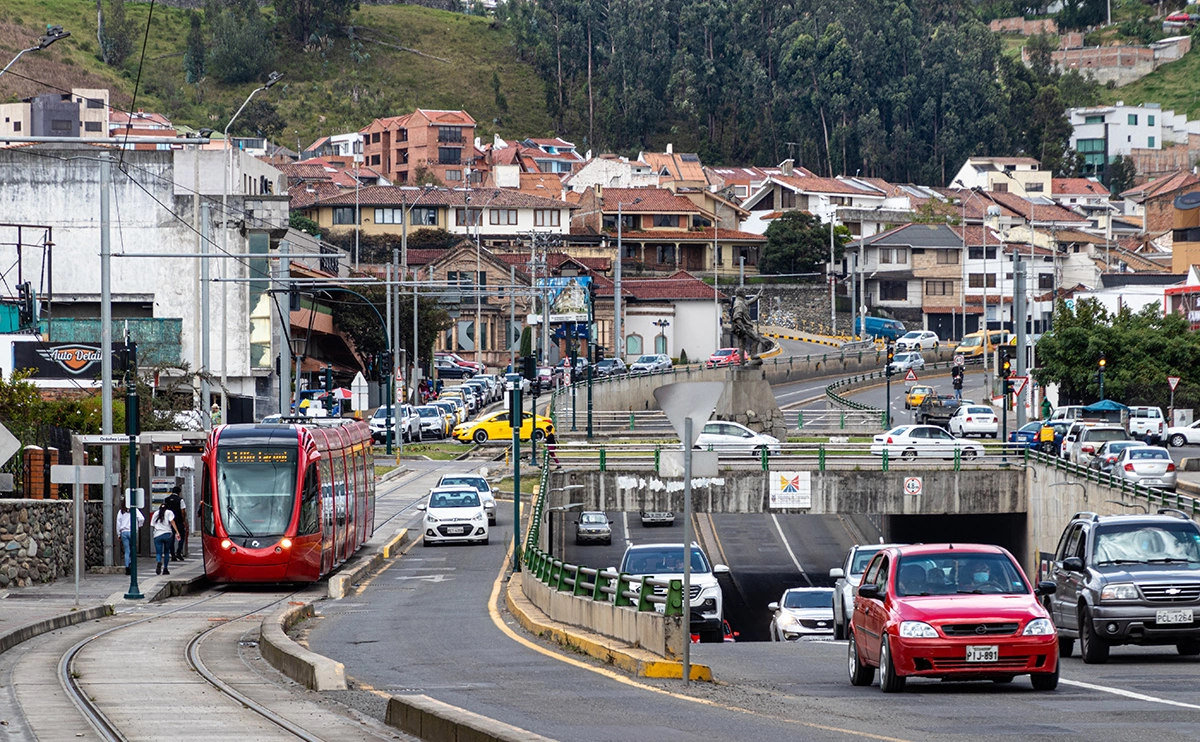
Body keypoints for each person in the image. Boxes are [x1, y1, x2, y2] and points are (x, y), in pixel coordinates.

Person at [150, 499, 181, 575]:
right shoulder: (169, 512)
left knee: (158, 552)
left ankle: (159, 561)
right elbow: (172, 521)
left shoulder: (156, 513)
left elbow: (152, 524)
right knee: (166, 552)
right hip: (167, 534)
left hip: (157, 535)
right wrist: (177, 531)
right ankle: (165, 568)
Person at [116, 501, 145, 576]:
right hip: (132, 531)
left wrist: (118, 534)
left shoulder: (121, 511)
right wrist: (138, 525)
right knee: (133, 549)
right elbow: (141, 518)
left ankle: (127, 567)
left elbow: (118, 523)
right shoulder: (134, 510)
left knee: (127, 550)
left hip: (124, 532)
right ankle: (132, 565)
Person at [163, 485, 187, 561]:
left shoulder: (166, 499)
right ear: (179, 493)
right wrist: (184, 520)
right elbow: (183, 511)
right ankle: (179, 552)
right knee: (182, 536)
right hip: (178, 520)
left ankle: (172, 554)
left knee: (171, 538)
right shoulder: (180, 500)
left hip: (169, 521)